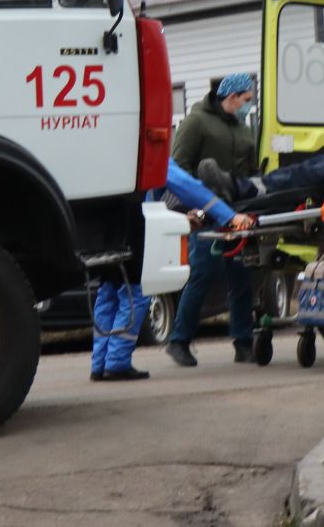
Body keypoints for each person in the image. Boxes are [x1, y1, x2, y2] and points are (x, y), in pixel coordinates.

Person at [92, 160, 253, 380]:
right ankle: (117, 362)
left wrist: (180, 217)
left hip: (106, 225)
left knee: (109, 292)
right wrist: (229, 216)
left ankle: (99, 363)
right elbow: (184, 184)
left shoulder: (112, 151)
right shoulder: (147, 150)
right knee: (134, 293)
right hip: (132, 223)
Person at [166, 73, 261, 366]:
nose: (249, 106)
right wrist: (189, 208)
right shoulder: (196, 122)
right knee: (203, 274)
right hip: (205, 211)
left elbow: (251, 172)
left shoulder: (244, 130)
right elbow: (177, 166)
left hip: (237, 212)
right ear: (231, 98)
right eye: (246, 100)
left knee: (241, 275)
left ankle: (243, 341)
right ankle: (179, 340)